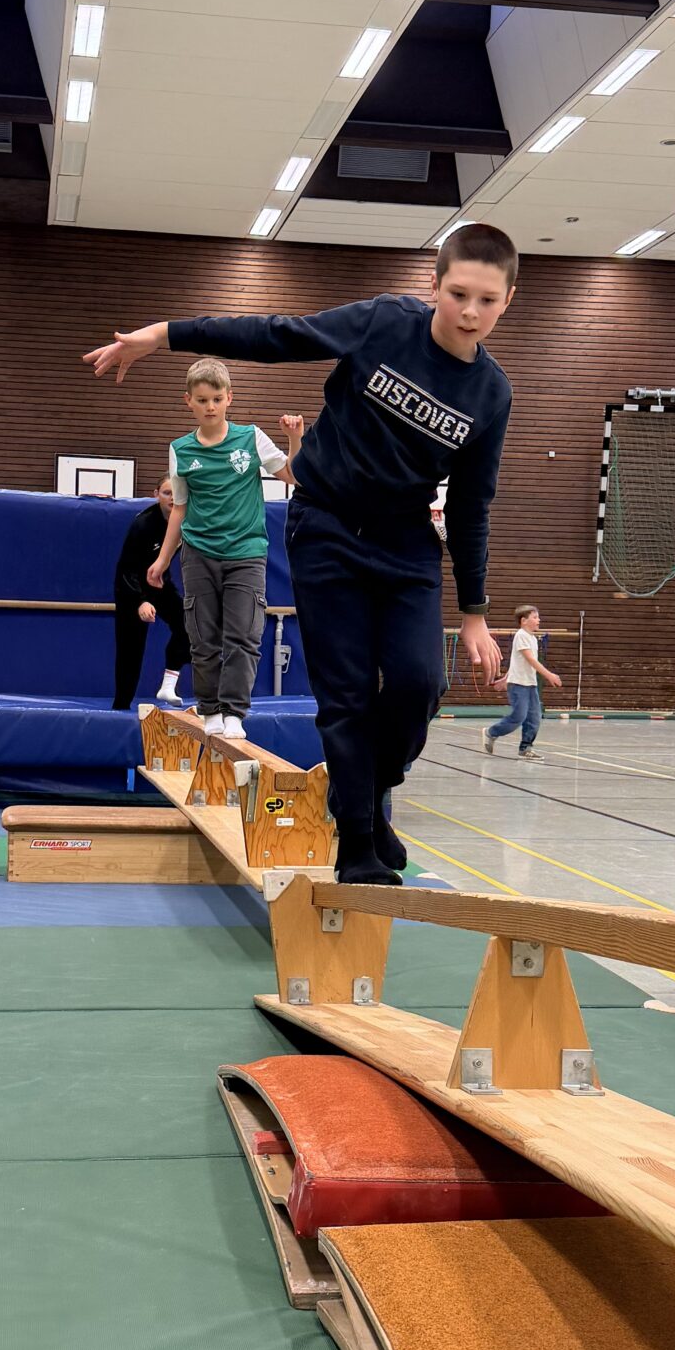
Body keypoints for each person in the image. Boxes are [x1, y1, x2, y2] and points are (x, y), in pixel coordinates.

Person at [86, 223, 516, 885]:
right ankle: (358, 845)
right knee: (346, 692)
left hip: (405, 542)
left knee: (419, 684)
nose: (469, 312)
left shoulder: (491, 393)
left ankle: (366, 791)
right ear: (433, 286)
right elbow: (277, 335)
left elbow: (471, 505)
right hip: (327, 526)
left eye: (487, 300)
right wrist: (164, 335)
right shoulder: (384, 323)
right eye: (458, 293)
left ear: (507, 300)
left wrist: (476, 610)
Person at [146, 360, 302, 737]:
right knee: (203, 637)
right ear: (189, 401)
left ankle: (234, 711)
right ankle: (211, 708)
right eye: (202, 400)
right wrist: (163, 559)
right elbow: (179, 508)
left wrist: (294, 439)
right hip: (199, 553)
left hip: (246, 552)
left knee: (243, 635)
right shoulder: (181, 449)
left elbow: (294, 476)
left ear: (229, 398)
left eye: (217, 399)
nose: (211, 407)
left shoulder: (250, 438)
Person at [111, 479, 191, 713]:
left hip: (159, 583)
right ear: (156, 494)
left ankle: (168, 685)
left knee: (188, 625)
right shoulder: (143, 524)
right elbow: (126, 569)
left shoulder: (187, 519)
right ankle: (121, 706)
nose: (172, 497)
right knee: (131, 649)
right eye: (166, 493)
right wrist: (139, 601)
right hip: (131, 588)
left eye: (177, 492)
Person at [484, 604, 562, 759]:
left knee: (534, 718)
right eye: (535, 617)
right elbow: (531, 660)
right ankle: (491, 732)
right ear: (523, 620)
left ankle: (525, 748)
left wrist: (505, 678)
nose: (539, 620)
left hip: (530, 685)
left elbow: (517, 661)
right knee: (518, 717)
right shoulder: (521, 636)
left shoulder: (532, 638)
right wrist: (549, 675)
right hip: (518, 685)